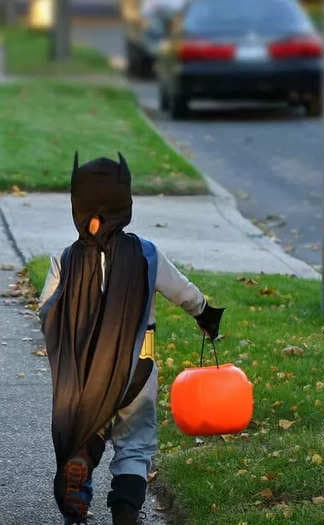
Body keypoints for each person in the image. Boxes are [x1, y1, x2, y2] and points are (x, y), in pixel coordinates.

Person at [38, 152, 224, 525]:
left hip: (86, 374)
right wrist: (206, 314)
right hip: (137, 367)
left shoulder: (66, 259)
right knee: (135, 442)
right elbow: (184, 293)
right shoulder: (145, 253)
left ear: (78, 206)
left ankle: (79, 473)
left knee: (87, 428)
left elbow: (46, 309)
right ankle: (125, 512)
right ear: (126, 205)